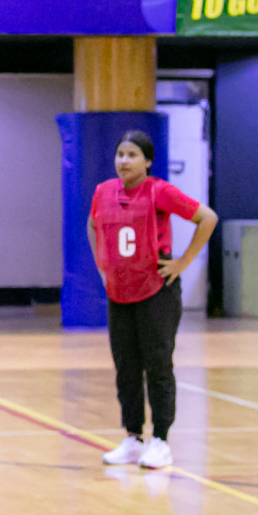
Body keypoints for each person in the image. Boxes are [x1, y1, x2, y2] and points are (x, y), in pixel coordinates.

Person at [89, 131, 217, 470]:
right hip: (120, 292)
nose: (124, 161)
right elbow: (92, 226)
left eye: (132, 155)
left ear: (147, 161)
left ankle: (160, 440)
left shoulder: (160, 191)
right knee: (126, 368)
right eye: (120, 154)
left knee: (157, 366)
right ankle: (133, 438)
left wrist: (183, 262)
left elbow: (208, 217)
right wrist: (103, 266)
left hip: (156, 292)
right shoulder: (103, 192)